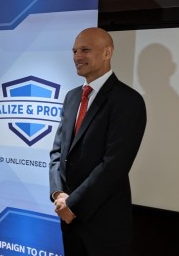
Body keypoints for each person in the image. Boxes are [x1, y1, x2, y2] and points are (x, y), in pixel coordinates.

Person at [49, 28, 147, 255]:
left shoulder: (128, 100)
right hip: (68, 219)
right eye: (74, 51)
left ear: (107, 52)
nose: (76, 56)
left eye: (85, 50)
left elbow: (115, 164)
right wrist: (57, 193)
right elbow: (58, 152)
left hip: (104, 223)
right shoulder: (72, 96)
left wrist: (74, 204)